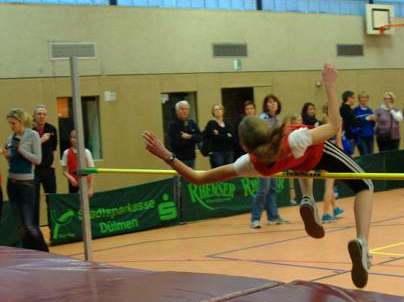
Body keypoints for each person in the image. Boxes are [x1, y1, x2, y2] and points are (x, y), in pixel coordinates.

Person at [143, 63, 374, 289]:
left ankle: (307, 198)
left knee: (300, 165)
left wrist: (166, 155)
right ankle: (362, 241)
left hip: (294, 163)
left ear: (245, 146)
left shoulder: (250, 164)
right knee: (364, 186)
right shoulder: (294, 138)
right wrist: (329, 85)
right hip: (314, 153)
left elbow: (198, 177)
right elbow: (334, 126)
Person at [0, 108, 49, 252]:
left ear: (21, 122)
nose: (11, 126)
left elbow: (37, 160)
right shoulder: (11, 138)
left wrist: (20, 149)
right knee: (21, 226)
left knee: (29, 225)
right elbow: (12, 162)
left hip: (26, 184)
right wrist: (8, 156)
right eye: (10, 123)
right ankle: (29, 253)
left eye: (13, 123)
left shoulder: (32, 135)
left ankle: (44, 252)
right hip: (12, 182)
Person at [248, 94, 289, 229]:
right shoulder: (262, 119)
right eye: (270, 102)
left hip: (274, 158)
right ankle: (255, 218)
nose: (272, 104)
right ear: (266, 105)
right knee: (263, 189)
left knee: (272, 188)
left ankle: (273, 216)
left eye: (274, 102)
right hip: (263, 159)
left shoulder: (277, 120)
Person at [32, 105, 58, 227]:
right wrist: (41, 140)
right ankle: (36, 229)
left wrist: (54, 163)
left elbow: (54, 148)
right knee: (34, 200)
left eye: (44, 114)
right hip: (35, 170)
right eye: (39, 114)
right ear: (34, 116)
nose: (41, 116)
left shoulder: (52, 129)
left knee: (52, 198)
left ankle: (54, 228)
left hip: (49, 169)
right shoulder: (31, 133)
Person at [320, 103, 344, 224]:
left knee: (329, 183)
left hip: (322, 155)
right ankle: (325, 213)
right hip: (332, 155)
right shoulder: (336, 122)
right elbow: (339, 142)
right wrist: (342, 155)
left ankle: (335, 208)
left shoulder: (322, 122)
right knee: (329, 185)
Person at [168, 101, 202, 169]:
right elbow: (177, 142)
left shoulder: (191, 123)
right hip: (178, 159)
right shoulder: (173, 125)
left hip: (191, 158)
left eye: (186, 109)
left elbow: (200, 137)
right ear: (177, 111)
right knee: (177, 179)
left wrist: (189, 136)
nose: (184, 111)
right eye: (182, 109)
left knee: (191, 179)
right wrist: (193, 139)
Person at [60, 130, 95, 197]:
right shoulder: (66, 153)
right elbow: (63, 171)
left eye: (77, 137)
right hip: (73, 184)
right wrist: (70, 178)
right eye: (73, 137)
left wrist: (91, 187)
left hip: (85, 182)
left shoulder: (86, 152)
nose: (75, 140)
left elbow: (92, 171)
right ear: (70, 139)